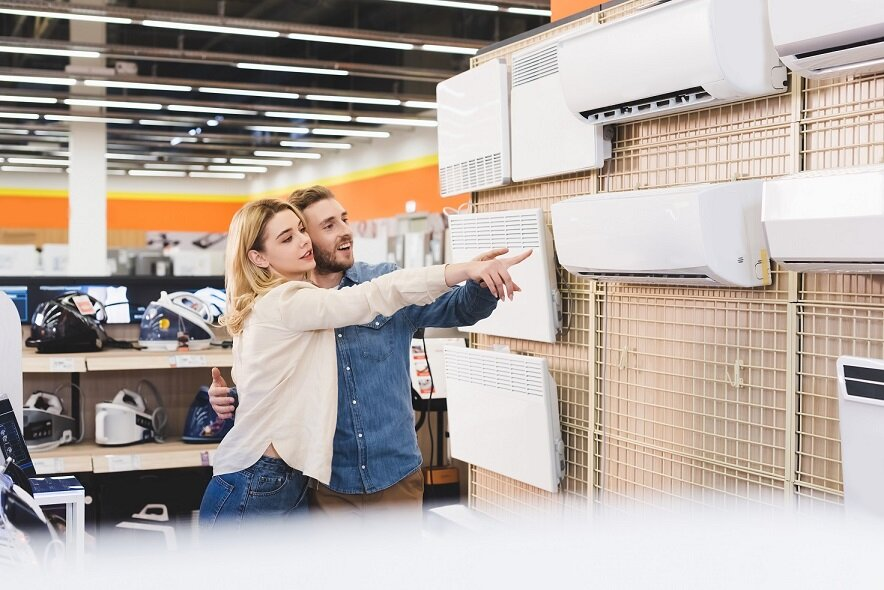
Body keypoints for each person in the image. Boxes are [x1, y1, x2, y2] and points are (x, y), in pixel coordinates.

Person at [200, 197, 529, 527]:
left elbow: (459, 309)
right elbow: (378, 296)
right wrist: (463, 268)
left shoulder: (292, 298)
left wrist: (482, 281)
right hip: (319, 480)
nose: (345, 232)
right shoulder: (289, 300)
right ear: (260, 255)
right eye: (326, 226)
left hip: (388, 472)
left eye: (343, 219)